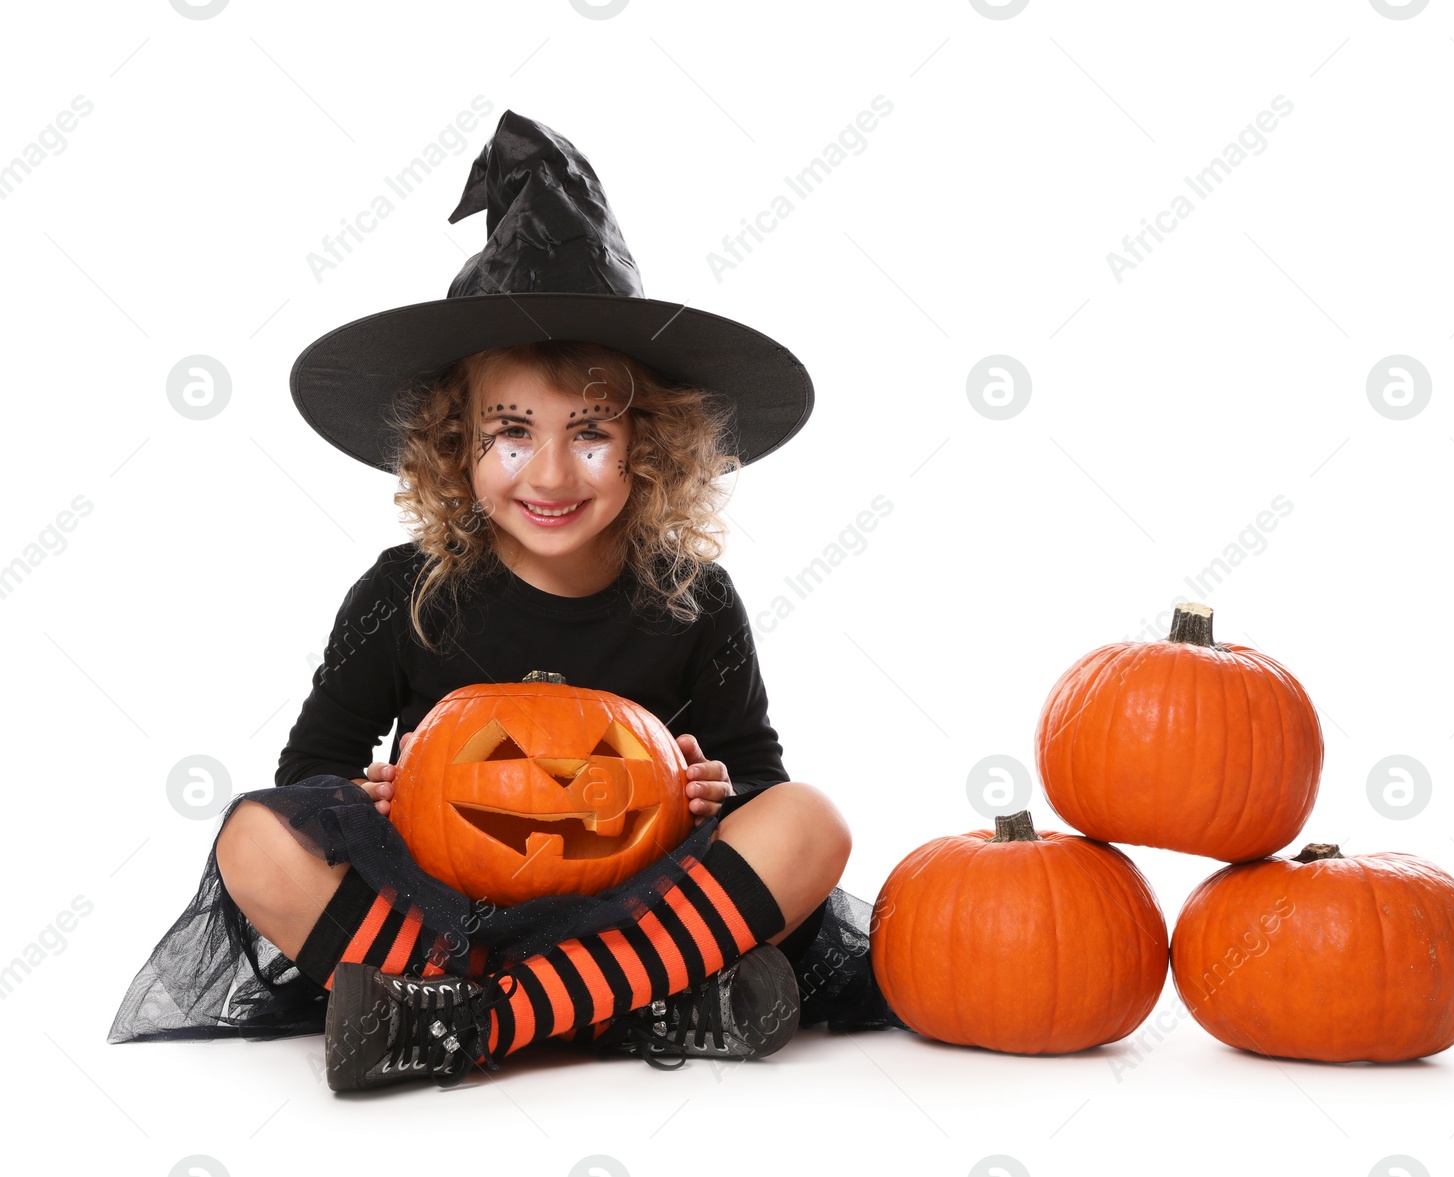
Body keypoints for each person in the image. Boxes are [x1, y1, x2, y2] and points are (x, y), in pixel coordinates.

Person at [106, 109, 905, 1087]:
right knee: (254, 839)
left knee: (810, 822)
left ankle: (478, 1022)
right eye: (512, 432)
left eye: (594, 433)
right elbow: (311, 766)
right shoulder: (405, 590)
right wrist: (365, 801)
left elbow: (756, 775)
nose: (552, 471)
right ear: (458, 444)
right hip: (435, 909)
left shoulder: (693, 596)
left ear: (648, 444)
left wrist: (715, 793)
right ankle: (618, 1005)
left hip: (639, 899)